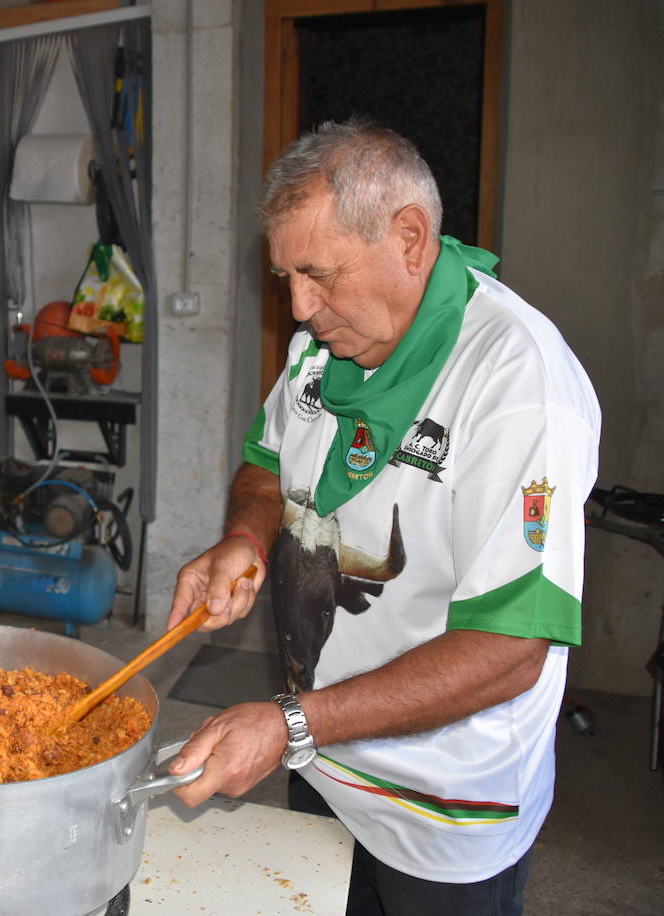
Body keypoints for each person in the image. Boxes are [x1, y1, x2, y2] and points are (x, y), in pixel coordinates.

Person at [165, 119, 599, 915]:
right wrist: (241, 539)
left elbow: (511, 649)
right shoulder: (321, 348)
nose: (298, 307)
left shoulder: (519, 387)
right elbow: (266, 466)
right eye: (285, 276)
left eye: (319, 274)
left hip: (441, 811)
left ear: (409, 237)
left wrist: (290, 723)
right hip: (322, 755)